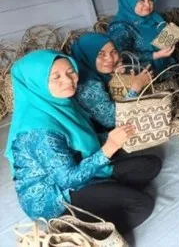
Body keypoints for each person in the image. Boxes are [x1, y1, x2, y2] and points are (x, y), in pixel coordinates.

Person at [6, 50, 161, 235]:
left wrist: (114, 137)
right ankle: (80, 231)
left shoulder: (62, 103)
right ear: (35, 83)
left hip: (79, 167)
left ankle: (103, 201)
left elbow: (81, 141)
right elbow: (67, 179)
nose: (68, 80)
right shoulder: (38, 130)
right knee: (142, 204)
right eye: (56, 77)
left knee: (151, 165)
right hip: (55, 198)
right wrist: (109, 148)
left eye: (71, 71)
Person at [72, 33, 153, 130]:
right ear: (86, 56)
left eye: (113, 52)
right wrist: (136, 87)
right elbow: (111, 120)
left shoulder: (94, 72)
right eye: (100, 54)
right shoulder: (87, 85)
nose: (110, 59)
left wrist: (114, 73)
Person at [108, 0, 179, 75]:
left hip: (170, 66)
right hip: (146, 74)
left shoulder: (155, 17)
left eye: (150, 0)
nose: (148, 4)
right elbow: (122, 55)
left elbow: (169, 37)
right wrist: (155, 55)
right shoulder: (120, 27)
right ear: (129, 3)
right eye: (142, 1)